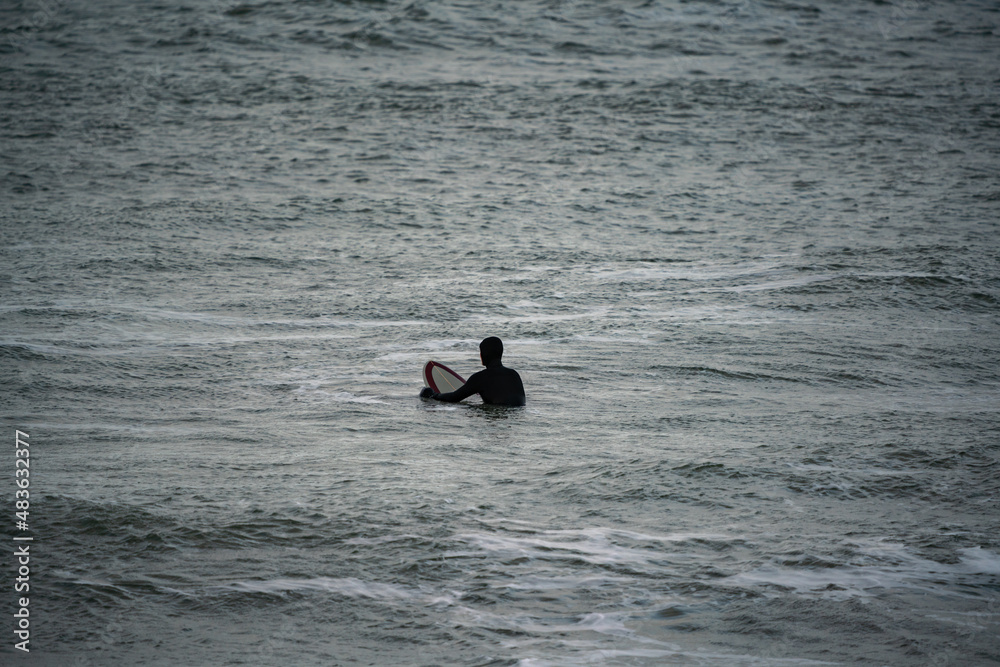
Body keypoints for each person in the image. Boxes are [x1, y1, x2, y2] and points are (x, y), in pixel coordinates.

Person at [420, 336, 526, 406]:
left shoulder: (481, 378)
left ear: (482, 355)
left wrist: (433, 395)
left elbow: (454, 398)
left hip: (496, 416)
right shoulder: (514, 375)